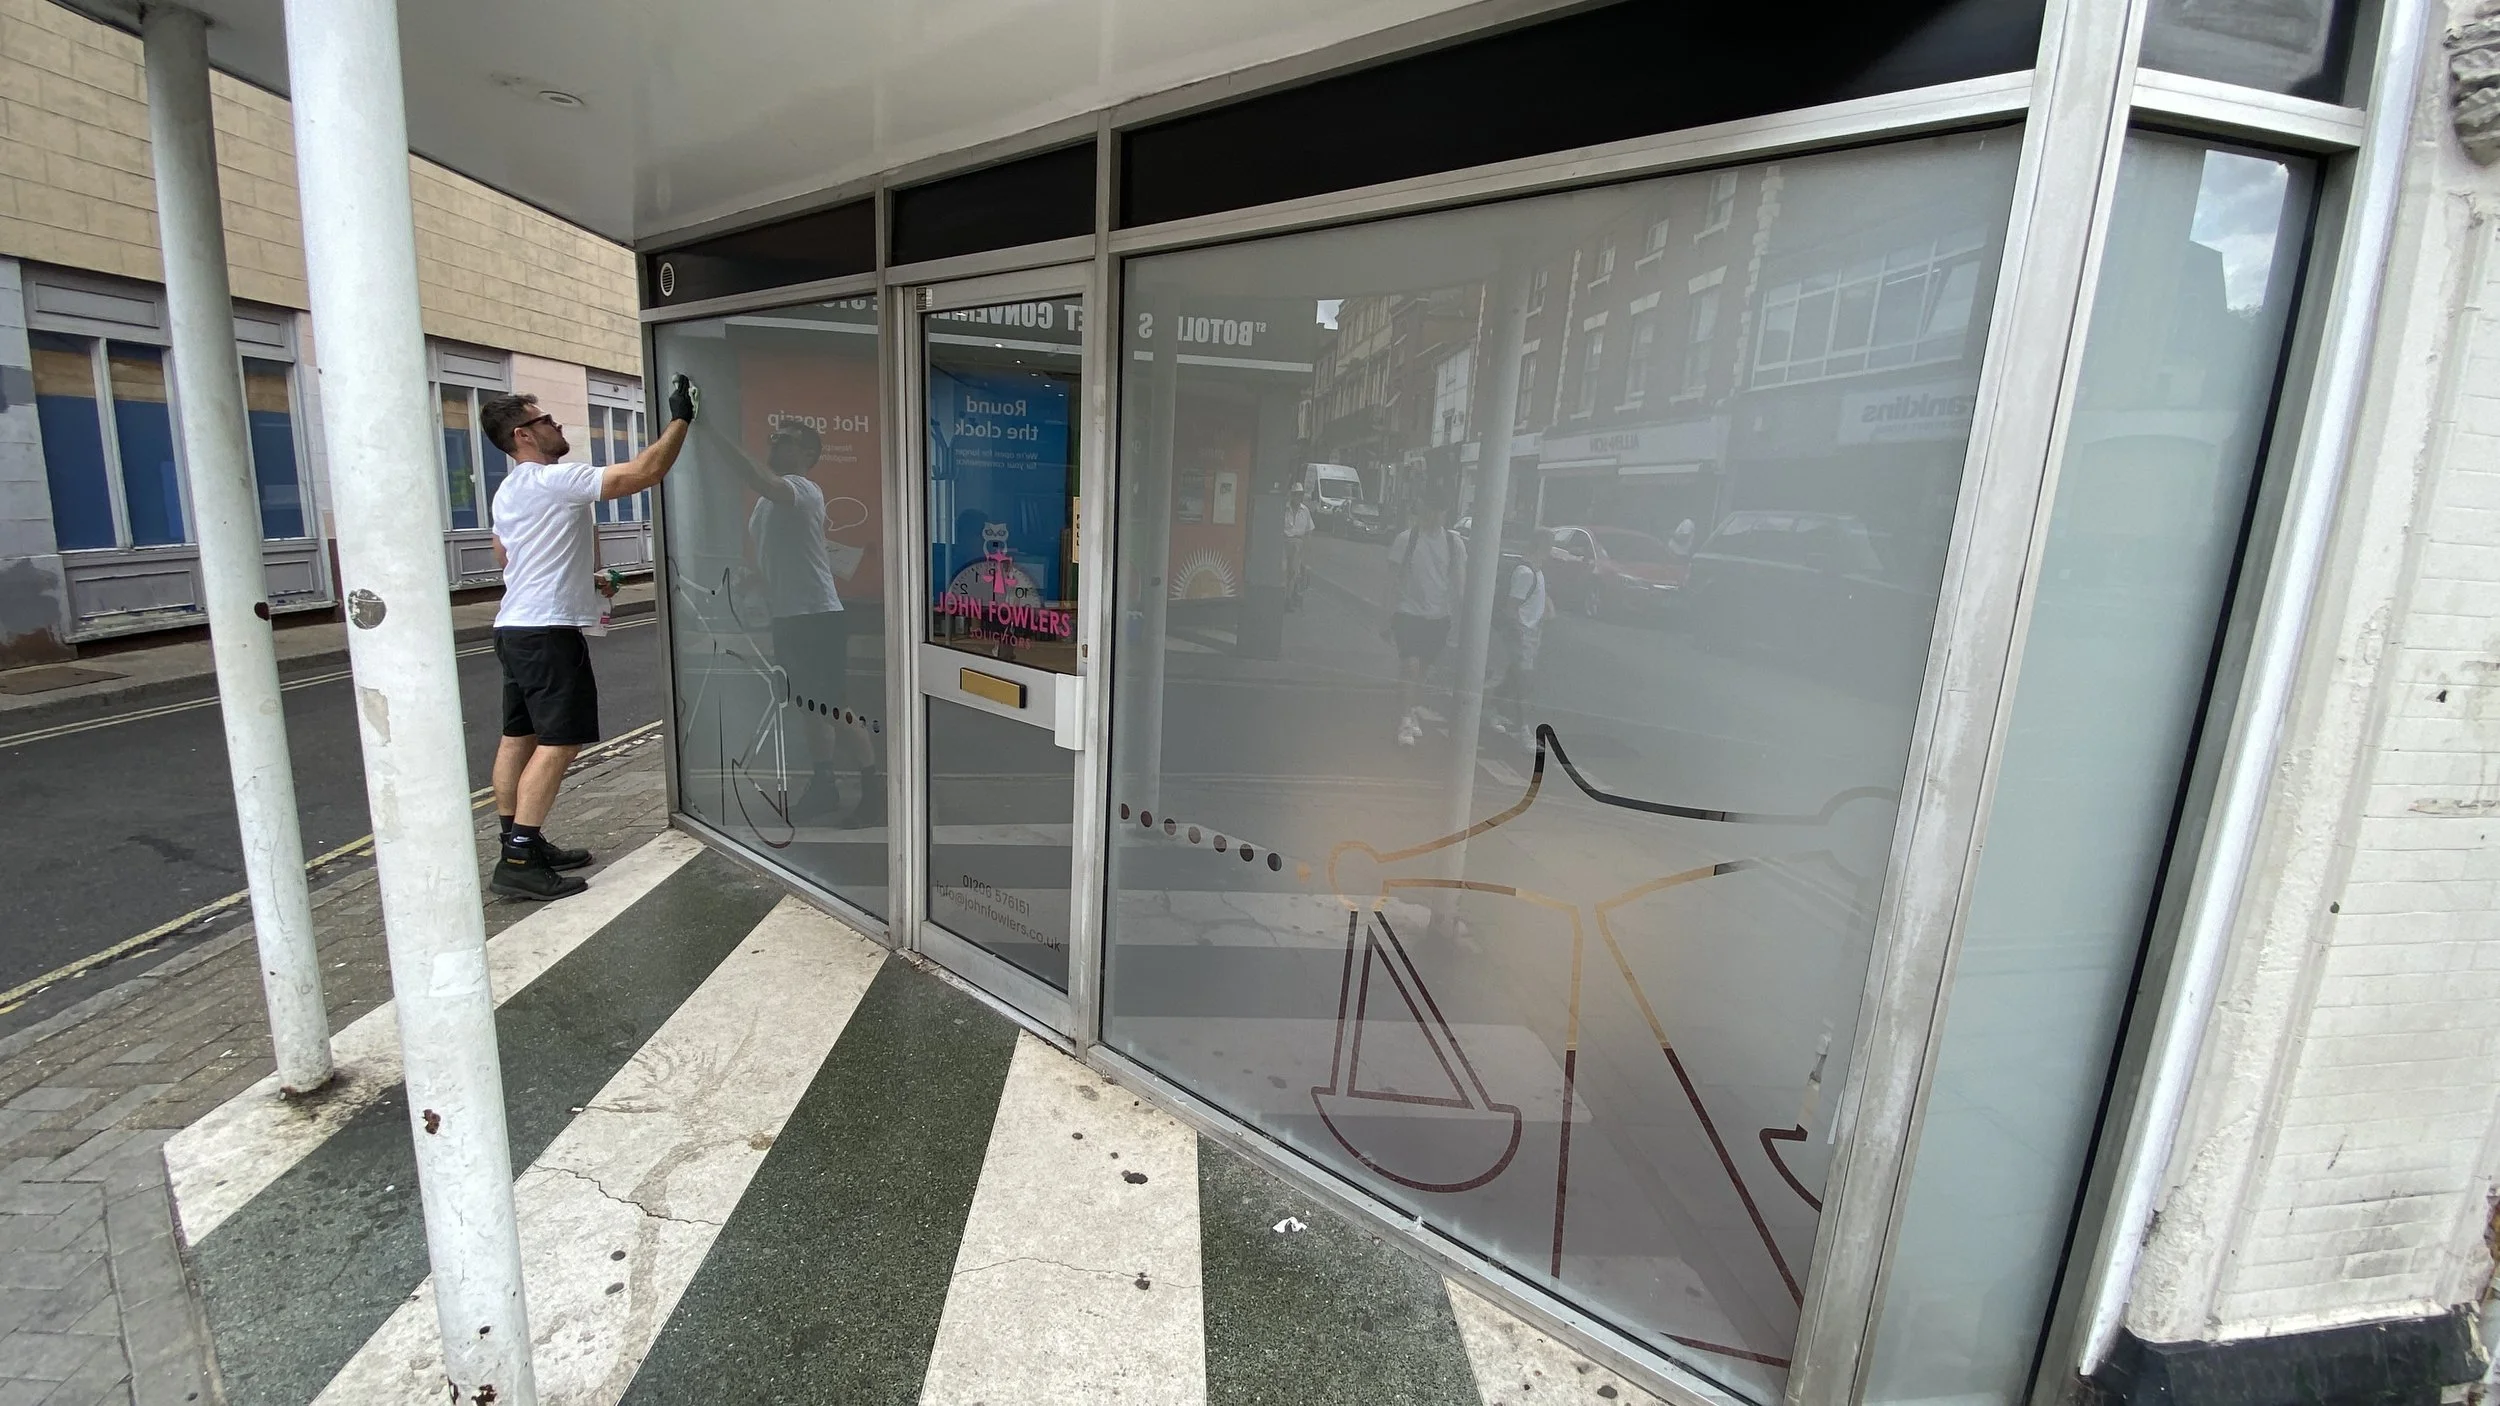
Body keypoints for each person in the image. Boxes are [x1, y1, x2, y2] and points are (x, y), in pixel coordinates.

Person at [481, 375, 696, 899]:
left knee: (519, 738)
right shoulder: (552, 480)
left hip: (515, 626)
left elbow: (504, 556)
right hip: (546, 632)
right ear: (523, 435)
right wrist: (682, 418)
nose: (555, 425)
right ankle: (519, 860)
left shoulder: (510, 490)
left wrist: (582, 580)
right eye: (545, 419)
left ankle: (518, 841)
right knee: (560, 741)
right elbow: (644, 471)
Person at [705, 417, 879, 827]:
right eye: (774, 438)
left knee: (835, 707)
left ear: (808, 456)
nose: (777, 444)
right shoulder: (768, 505)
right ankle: (825, 786)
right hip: (789, 619)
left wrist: (712, 430)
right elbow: (780, 556)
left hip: (818, 616)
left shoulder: (803, 489)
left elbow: (759, 478)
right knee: (807, 706)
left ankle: (873, 791)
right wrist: (753, 580)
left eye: (788, 441)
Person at [1382, 493, 1466, 748]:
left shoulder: (1454, 543)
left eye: (1439, 510)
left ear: (1445, 513)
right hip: (1408, 613)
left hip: (1438, 617)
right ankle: (1406, 718)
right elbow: (1391, 581)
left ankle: (1412, 707)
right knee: (1411, 666)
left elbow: (1459, 584)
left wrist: (1460, 619)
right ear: (1421, 509)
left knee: (1423, 672)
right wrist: (1385, 618)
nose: (1433, 515)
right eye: (1429, 509)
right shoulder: (1406, 540)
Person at [1493, 537, 1554, 740]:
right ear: (1541, 548)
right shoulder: (1526, 574)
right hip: (1522, 634)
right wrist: (1518, 637)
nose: (1550, 555)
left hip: (1531, 634)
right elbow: (1511, 608)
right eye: (1548, 549)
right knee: (1524, 683)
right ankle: (1523, 730)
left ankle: (1493, 710)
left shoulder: (1537, 572)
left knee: (1514, 678)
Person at [1283, 482, 1316, 610]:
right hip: (1285, 541)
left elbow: (1309, 532)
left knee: (1294, 573)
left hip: (1298, 543)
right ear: (1292, 495)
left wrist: (1307, 555)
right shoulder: (1284, 509)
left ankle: (1288, 599)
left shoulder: (1305, 511)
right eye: (1295, 494)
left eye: (1300, 495)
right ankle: (1284, 597)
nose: (1298, 497)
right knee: (1284, 570)